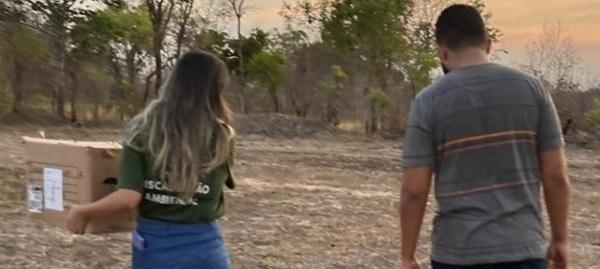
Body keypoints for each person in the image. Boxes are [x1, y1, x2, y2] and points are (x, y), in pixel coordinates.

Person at [400, 4, 571, 269]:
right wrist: (560, 239)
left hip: (456, 254)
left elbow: (414, 190)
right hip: (524, 250)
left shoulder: (428, 102)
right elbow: (556, 176)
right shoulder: (533, 91)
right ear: (488, 45)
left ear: (443, 52)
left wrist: (407, 256)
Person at [67, 51, 236, 269]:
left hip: (156, 245)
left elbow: (128, 197)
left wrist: (83, 211)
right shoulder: (224, 135)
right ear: (216, 89)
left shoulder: (142, 131)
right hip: (206, 246)